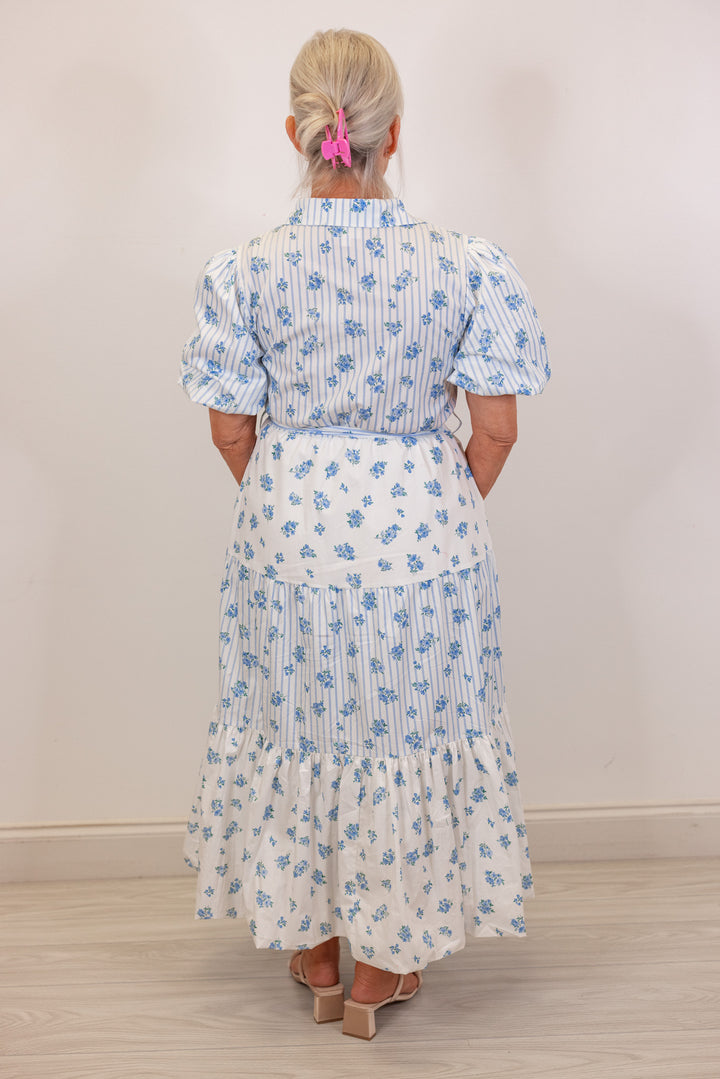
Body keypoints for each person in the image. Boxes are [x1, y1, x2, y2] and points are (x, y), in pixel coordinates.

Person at [179, 28, 550, 1041]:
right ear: (395, 132)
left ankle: (313, 951)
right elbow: (498, 428)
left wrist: (292, 501)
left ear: (296, 131)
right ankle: (383, 966)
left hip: (287, 537)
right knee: (406, 736)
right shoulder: (464, 265)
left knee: (298, 728)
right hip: (425, 543)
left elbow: (229, 429)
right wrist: (435, 505)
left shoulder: (244, 270)